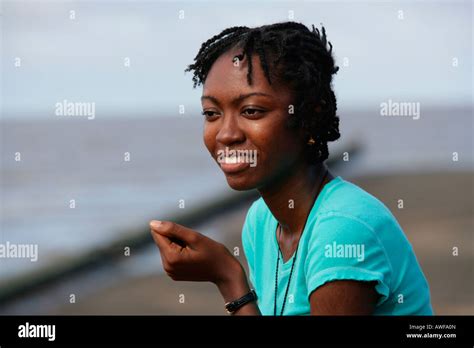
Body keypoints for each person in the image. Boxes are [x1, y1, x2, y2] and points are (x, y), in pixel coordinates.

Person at [150, 22, 433, 315]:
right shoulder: (261, 220)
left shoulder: (342, 229)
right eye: (212, 113)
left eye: (251, 111)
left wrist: (227, 277)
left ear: (309, 116)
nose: (225, 134)